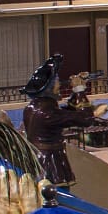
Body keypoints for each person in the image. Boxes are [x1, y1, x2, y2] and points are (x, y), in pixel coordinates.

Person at [19, 55, 95, 185]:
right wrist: (79, 90)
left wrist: (77, 92)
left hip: (39, 158)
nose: (60, 84)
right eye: (57, 81)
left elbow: (69, 113)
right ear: (49, 87)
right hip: (50, 164)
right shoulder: (47, 113)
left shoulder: (33, 107)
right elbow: (86, 119)